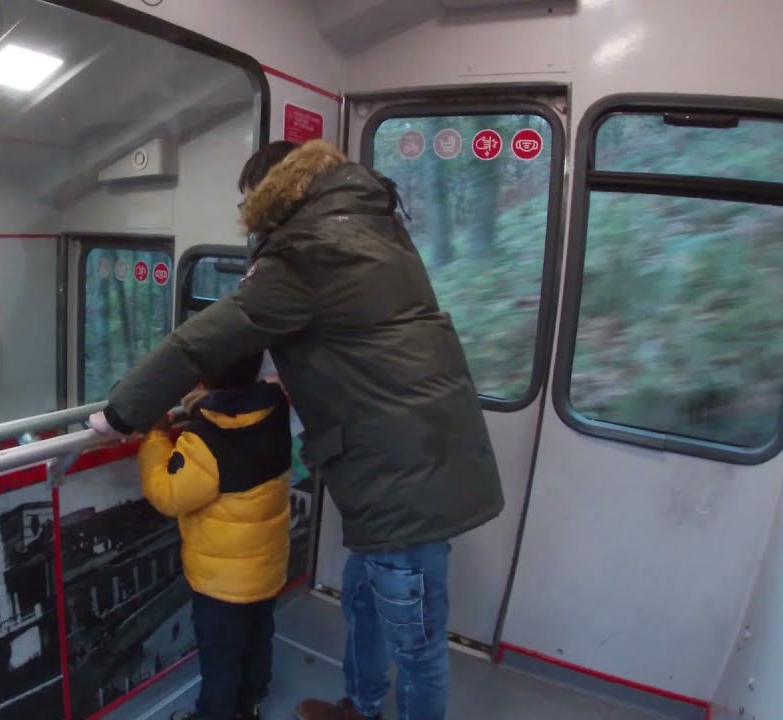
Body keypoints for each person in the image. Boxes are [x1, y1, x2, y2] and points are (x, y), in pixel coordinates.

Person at [90, 138, 504, 720]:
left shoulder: (306, 252)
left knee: (416, 643)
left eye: (247, 201)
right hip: (413, 454)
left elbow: (205, 338)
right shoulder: (371, 230)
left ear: (272, 193)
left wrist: (120, 413)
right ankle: (360, 706)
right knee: (363, 597)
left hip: (402, 476)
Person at [137, 352, 292, 720]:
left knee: (221, 656)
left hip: (221, 585)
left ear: (201, 381)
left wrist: (157, 435)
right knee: (257, 641)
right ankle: (250, 706)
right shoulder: (275, 411)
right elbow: (233, 408)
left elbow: (167, 493)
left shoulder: (205, 440)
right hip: (266, 571)